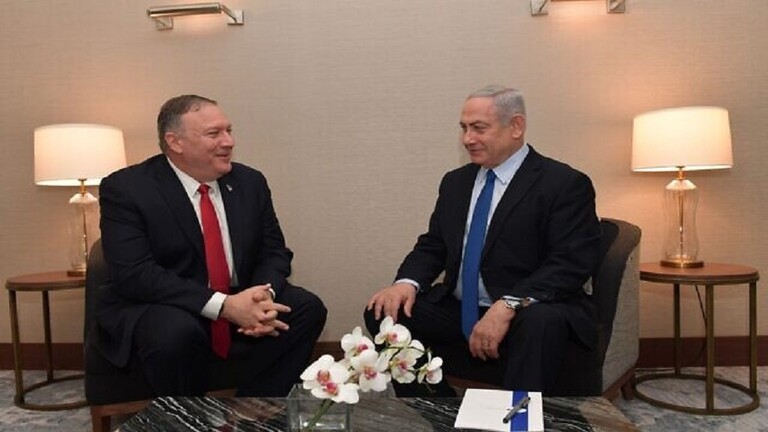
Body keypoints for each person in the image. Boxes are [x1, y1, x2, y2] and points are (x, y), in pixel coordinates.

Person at [364, 85, 601, 395]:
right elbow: (434, 245)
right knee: (384, 311)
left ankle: (518, 417)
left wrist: (508, 305)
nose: (467, 139)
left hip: (529, 310)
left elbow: (570, 263)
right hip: (460, 308)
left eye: (479, 128)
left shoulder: (563, 183)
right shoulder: (456, 182)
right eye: (464, 128)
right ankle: (436, 408)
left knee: (541, 321)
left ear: (516, 126)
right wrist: (405, 283)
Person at [96, 94, 327, 397]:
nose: (228, 142)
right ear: (175, 142)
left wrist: (260, 297)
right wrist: (224, 307)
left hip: (238, 293)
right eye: (214, 133)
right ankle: (187, 417)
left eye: (228, 131)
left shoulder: (250, 182)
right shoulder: (128, 188)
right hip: (166, 303)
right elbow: (135, 274)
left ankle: (255, 408)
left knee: (307, 308)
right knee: (174, 332)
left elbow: (274, 252)